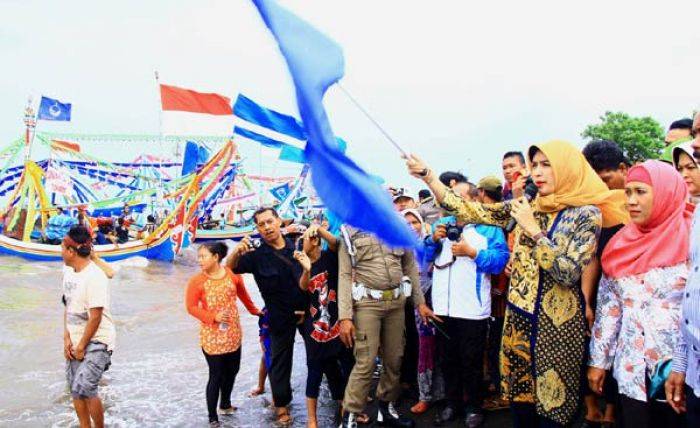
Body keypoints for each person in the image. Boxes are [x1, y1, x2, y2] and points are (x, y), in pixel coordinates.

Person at [406, 140, 628, 427]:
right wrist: (428, 175)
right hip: (518, 323)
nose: (538, 172)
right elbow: (468, 210)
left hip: (556, 330)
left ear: (568, 168)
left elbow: (568, 273)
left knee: (553, 411)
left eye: (547, 164)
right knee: (521, 409)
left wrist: (534, 230)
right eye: (534, 164)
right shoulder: (526, 206)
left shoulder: (586, 214)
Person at [588, 160, 693, 428]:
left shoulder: (692, 238)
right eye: (629, 192)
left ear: (665, 192)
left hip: (682, 369)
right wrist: (599, 361)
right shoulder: (620, 245)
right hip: (632, 368)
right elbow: (609, 310)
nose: (632, 201)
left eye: (641, 192)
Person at [338, 221, 440, 428]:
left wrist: (420, 303)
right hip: (367, 303)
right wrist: (345, 317)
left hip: (396, 303)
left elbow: (410, 266)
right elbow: (345, 274)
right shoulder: (349, 230)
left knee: (395, 359)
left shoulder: (398, 227)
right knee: (365, 362)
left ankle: (386, 409)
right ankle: (349, 417)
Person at [428, 187, 509, 427]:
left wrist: (472, 252)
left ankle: (474, 406)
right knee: (447, 360)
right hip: (443, 308)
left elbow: (499, 261)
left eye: (463, 197)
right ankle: (453, 404)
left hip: (472, 309)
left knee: (472, 361)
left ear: (475, 200)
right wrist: (433, 240)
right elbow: (424, 256)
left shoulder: (489, 228)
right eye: (453, 196)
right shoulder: (440, 224)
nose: (457, 201)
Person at [227, 207, 307, 426]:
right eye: (261, 225)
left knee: (322, 355)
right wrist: (236, 250)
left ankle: (340, 399)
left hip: (305, 311)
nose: (267, 227)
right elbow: (229, 268)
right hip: (278, 315)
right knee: (280, 361)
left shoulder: (296, 247)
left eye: (270, 221)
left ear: (279, 221)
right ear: (258, 229)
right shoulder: (257, 255)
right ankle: (281, 406)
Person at [185, 242, 260, 426]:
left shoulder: (232, 275)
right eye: (199, 257)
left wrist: (256, 311)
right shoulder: (196, 281)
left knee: (233, 370)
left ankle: (225, 404)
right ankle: (212, 417)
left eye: (203, 256)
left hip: (233, 332)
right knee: (216, 375)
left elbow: (244, 296)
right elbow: (191, 307)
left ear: (216, 256)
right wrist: (213, 316)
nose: (200, 260)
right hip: (212, 335)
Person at [293, 224, 355, 428]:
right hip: (315, 331)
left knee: (346, 367)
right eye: (304, 239)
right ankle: (312, 420)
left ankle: (349, 410)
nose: (307, 241)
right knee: (314, 373)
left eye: (309, 238)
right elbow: (302, 287)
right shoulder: (299, 262)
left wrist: (318, 230)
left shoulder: (330, 257)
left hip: (339, 324)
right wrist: (306, 268)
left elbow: (338, 244)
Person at [61, 225, 116, 428]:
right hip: (75, 338)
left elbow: (95, 317)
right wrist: (66, 338)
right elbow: (67, 306)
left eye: (62, 247)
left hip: (97, 339)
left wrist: (82, 345)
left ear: (71, 251)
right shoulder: (67, 272)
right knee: (75, 387)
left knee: (85, 386)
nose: (59, 251)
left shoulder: (95, 276)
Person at [667, 137, 700, 426]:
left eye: (692, 166)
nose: (685, 175)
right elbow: (690, 301)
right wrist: (680, 364)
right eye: (681, 168)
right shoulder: (698, 214)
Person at [401, 209, 444, 417]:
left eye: (415, 222)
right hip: (414, 306)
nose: (411, 226)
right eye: (406, 222)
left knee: (442, 349)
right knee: (424, 350)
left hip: (438, 301)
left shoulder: (429, 242)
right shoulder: (399, 248)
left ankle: (443, 393)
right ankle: (425, 395)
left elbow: (431, 248)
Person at [475, 176, 510, 405]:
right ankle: (494, 385)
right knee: (495, 343)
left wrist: (499, 287)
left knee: (495, 343)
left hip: (497, 292)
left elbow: (504, 256)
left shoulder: (488, 220)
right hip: (501, 292)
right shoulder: (508, 213)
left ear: (480, 193)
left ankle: (499, 390)